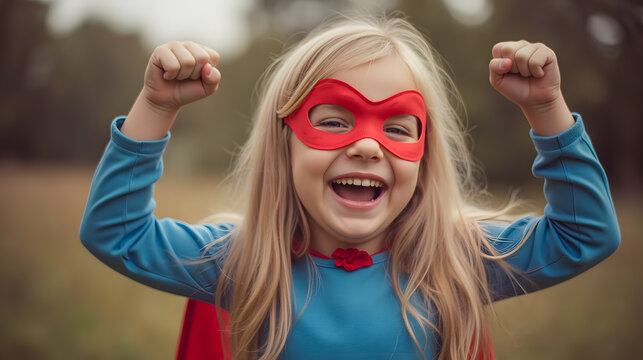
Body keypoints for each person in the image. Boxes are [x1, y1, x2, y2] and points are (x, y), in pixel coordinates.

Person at [80, 14, 620, 360]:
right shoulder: (243, 263)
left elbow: (585, 234)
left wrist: (546, 109)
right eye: (334, 120)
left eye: (397, 127)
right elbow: (116, 233)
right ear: (284, 141)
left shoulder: (455, 262)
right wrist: (154, 108)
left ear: (424, 158)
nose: (367, 146)